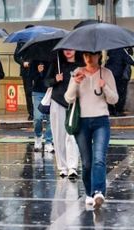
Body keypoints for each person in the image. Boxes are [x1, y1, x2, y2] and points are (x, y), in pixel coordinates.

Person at [65, 51, 118, 209]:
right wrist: (75, 82)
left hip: (101, 120)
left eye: (93, 55)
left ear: (99, 56)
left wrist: (105, 86)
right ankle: (89, 192)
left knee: (99, 158)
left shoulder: (106, 73)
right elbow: (68, 98)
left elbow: (114, 99)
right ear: (83, 56)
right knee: (87, 162)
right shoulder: (77, 72)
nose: (89, 58)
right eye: (86, 55)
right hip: (82, 122)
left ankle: (98, 192)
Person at [45, 50, 81, 179]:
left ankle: (72, 166)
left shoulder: (81, 65)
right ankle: (62, 167)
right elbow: (46, 82)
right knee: (58, 136)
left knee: (71, 134)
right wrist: (55, 79)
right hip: (57, 101)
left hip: (74, 104)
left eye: (71, 48)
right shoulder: (57, 63)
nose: (68, 51)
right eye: (66, 49)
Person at [29, 60, 54, 152]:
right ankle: (38, 137)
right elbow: (30, 76)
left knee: (50, 118)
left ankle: (48, 141)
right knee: (37, 117)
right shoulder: (35, 60)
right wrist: (38, 72)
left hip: (50, 91)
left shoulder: (54, 59)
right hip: (37, 92)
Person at [14, 25, 35, 121]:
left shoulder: (37, 41)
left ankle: (41, 112)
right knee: (28, 92)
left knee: (39, 91)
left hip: (37, 70)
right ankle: (31, 113)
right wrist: (23, 63)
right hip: (26, 71)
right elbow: (16, 56)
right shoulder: (21, 42)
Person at [105, 47, 134, 116]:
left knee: (111, 92)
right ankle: (118, 111)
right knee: (121, 93)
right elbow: (129, 61)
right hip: (119, 76)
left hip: (110, 74)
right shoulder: (122, 51)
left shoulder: (110, 50)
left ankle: (111, 110)